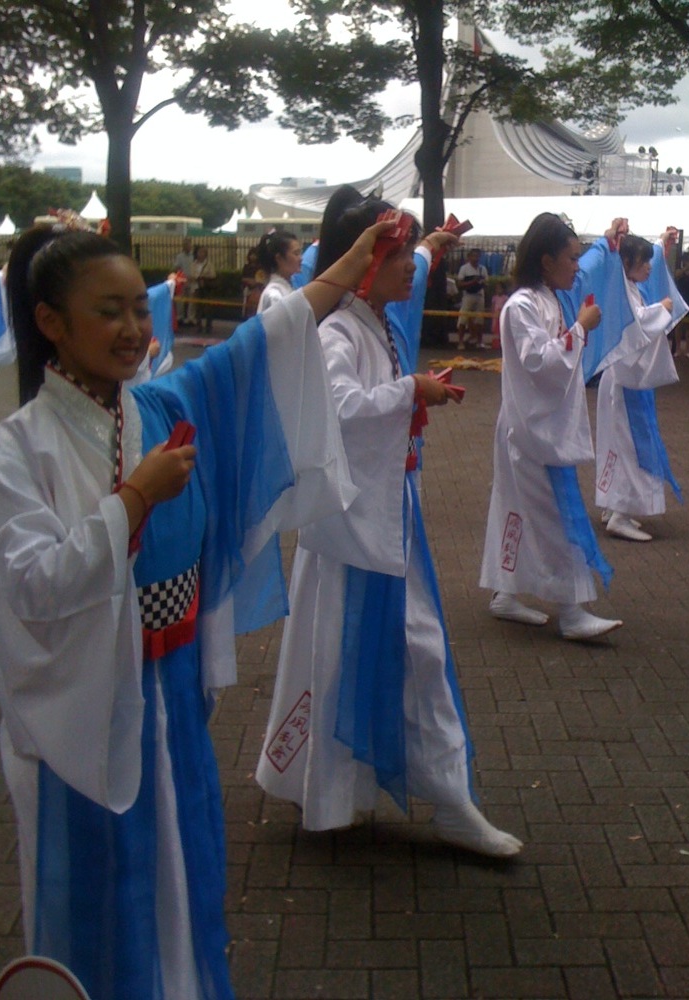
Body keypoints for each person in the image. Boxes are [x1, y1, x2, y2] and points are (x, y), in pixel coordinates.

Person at [0, 220, 396, 1000]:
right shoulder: (17, 449)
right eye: (109, 311)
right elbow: (32, 586)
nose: (132, 329)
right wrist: (134, 499)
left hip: (171, 688)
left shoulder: (161, 403)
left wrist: (345, 268)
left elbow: (253, 352)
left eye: (140, 308)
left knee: (185, 869)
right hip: (92, 709)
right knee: (106, 888)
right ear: (49, 322)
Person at [256, 187, 523, 859]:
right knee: (395, 653)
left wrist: (410, 393)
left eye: (411, 254)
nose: (413, 268)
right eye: (400, 255)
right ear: (364, 260)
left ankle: (357, 791)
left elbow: (361, 403)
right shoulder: (336, 330)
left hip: (381, 516)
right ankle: (418, 797)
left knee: (360, 655)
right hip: (352, 529)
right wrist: (411, 392)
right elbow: (341, 408)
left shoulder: (370, 321)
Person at [479, 213, 626, 641]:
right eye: (571, 258)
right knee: (556, 517)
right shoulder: (523, 306)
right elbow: (540, 361)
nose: (577, 267)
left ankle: (505, 591)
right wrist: (580, 328)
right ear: (547, 260)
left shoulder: (546, 297)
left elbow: (587, 274)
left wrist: (608, 242)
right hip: (531, 429)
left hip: (533, 424)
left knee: (516, 509)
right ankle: (571, 610)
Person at [595, 233, 686, 541]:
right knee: (629, 447)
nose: (648, 266)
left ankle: (613, 505)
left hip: (622, 380)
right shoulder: (620, 289)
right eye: (643, 261)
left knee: (618, 444)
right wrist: (662, 308)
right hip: (625, 383)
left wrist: (661, 244)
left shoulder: (626, 286)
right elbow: (636, 324)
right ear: (626, 262)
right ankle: (620, 513)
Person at [256, 229, 302, 313]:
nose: (301, 258)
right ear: (279, 258)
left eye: (300, 253)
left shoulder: (288, 287)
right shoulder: (274, 295)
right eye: (296, 253)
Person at [455, 247, 488, 350]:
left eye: (477, 256)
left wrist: (482, 283)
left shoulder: (482, 269)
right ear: (469, 257)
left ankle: (479, 341)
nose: (475, 258)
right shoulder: (464, 268)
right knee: (463, 318)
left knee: (480, 319)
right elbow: (460, 284)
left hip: (479, 295)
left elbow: (486, 282)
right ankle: (460, 341)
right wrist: (473, 281)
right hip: (468, 295)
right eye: (473, 256)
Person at [673, 252, 689, 357]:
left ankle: (687, 349)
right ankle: (678, 348)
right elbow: (676, 276)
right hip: (680, 299)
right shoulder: (680, 270)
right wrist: (686, 269)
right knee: (679, 325)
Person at [186, 245, 216, 329]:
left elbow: (213, 275)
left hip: (206, 288)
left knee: (207, 307)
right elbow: (191, 275)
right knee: (198, 307)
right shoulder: (193, 264)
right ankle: (198, 324)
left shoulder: (209, 264)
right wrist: (197, 278)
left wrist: (203, 277)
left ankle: (208, 325)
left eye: (203, 252)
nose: (201, 254)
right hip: (196, 287)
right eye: (199, 252)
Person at [172, 237, 194, 325]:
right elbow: (176, 267)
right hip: (182, 280)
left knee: (192, 300)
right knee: (180, 299)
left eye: (188, 244)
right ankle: (179, 317)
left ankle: (190, 318)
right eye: (185, 244)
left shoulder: (193, 256)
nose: (187, 246)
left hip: (192, 279)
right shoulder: (180, 256)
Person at [239, 248, 264, 318]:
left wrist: (255, 282)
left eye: (254, 255)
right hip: (247, 288)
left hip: (257, 289)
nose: (252, 256)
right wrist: (249, 281)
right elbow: (243, 278)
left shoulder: (260, 267)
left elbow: (261, 279)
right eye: (251, 255)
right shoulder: (246, 267)